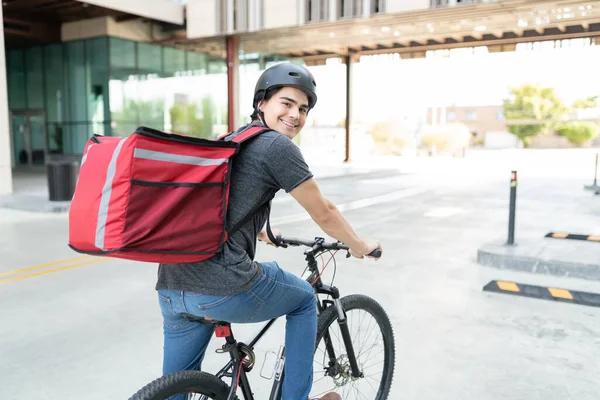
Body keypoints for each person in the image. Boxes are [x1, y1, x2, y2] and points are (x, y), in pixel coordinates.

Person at [155, 62, 382, 400]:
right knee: (305, 299)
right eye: (286, 103)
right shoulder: (278, 147)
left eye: (303, 109)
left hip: (173, 285)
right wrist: (359, 245)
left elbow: (234, 197)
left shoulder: (232, 139)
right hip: (222, 284)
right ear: (262, 102)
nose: (295, 115)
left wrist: (261, 230)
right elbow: (324, 211)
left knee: (173, 391)